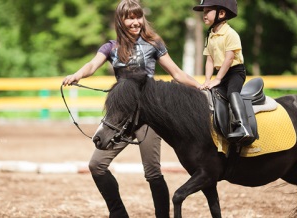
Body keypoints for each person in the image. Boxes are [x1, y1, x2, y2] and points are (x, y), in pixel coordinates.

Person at [63, 0, 201, 217]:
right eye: (130, 17)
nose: (135, 22)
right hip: (121, 116)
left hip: (148, 116)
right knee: (96, 165)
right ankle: (118, 213)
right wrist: (77, 75)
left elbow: (177, 73)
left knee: (153, 172)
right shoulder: (111, 47)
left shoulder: (153, 44)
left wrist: (201, 86)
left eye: (138, 17)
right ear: (121, 20)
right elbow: (91, 65)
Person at [193, 0, 254, 144]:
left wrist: (218, 79)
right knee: (212, 96)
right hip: (221, 73)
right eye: (204, 12)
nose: (204, 15)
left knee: (232, 93)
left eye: (208, 11)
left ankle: (243, 126)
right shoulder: (211, 35)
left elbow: (229, 58)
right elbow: (209, 60)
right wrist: (207, 80)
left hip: (235, 72)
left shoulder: (230, 34)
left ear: (221, 13)